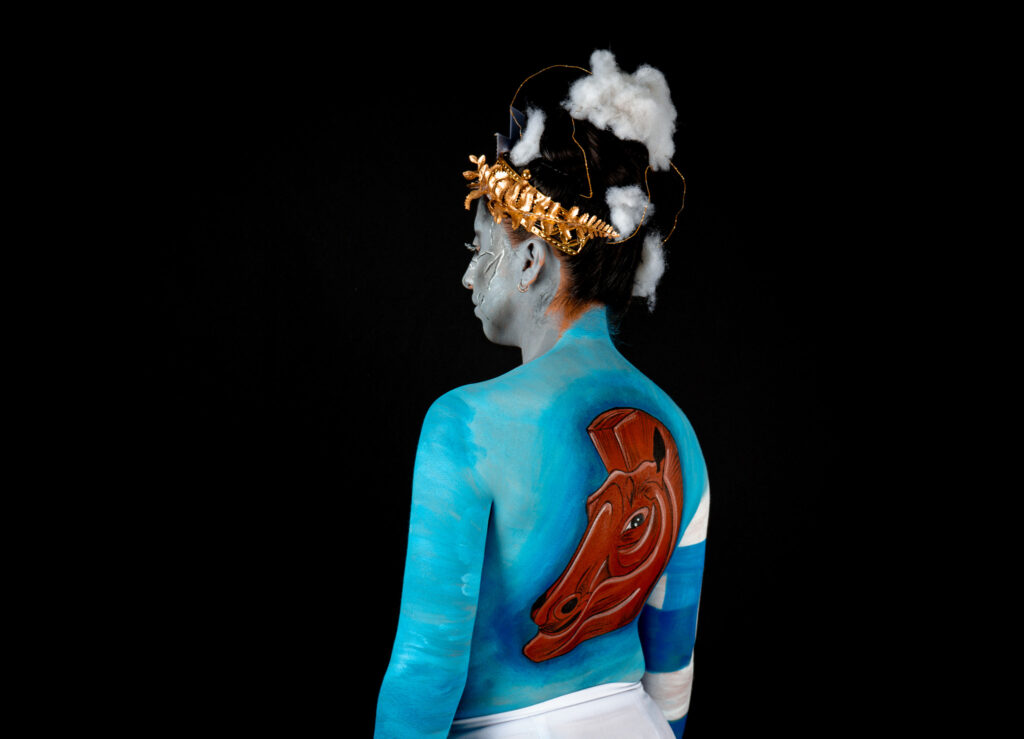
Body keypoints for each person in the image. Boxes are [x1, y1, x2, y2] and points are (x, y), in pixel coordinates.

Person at [375, 51, 709, 738]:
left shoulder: (464, 424)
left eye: (481, 248)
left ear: (531, 259)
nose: (469, 275)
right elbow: (673, 670)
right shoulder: (681, 431)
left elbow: (426, 667)